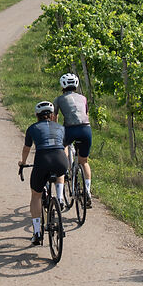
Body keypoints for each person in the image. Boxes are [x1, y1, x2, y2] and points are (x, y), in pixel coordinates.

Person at [17, 100, 68, 244]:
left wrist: (23, 162)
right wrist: (65, 163)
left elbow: (26, 149)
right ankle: (60, 198)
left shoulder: (32, 128)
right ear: (52, 115)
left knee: (36, 195)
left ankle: (37, 233)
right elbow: (64, 147)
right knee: (60, 173)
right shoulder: (61, 128)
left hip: (42, 161)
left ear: (36, 115)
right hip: (60, 160)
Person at [54, 71, 93, 204]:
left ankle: (65, 167)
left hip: (70, 129)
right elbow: (86, 113)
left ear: (62, 86)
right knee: (84, 161)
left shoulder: (59, 99)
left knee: (63, 146)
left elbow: (54, 118)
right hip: (86, 129)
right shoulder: (83, 98)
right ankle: (87, 191)